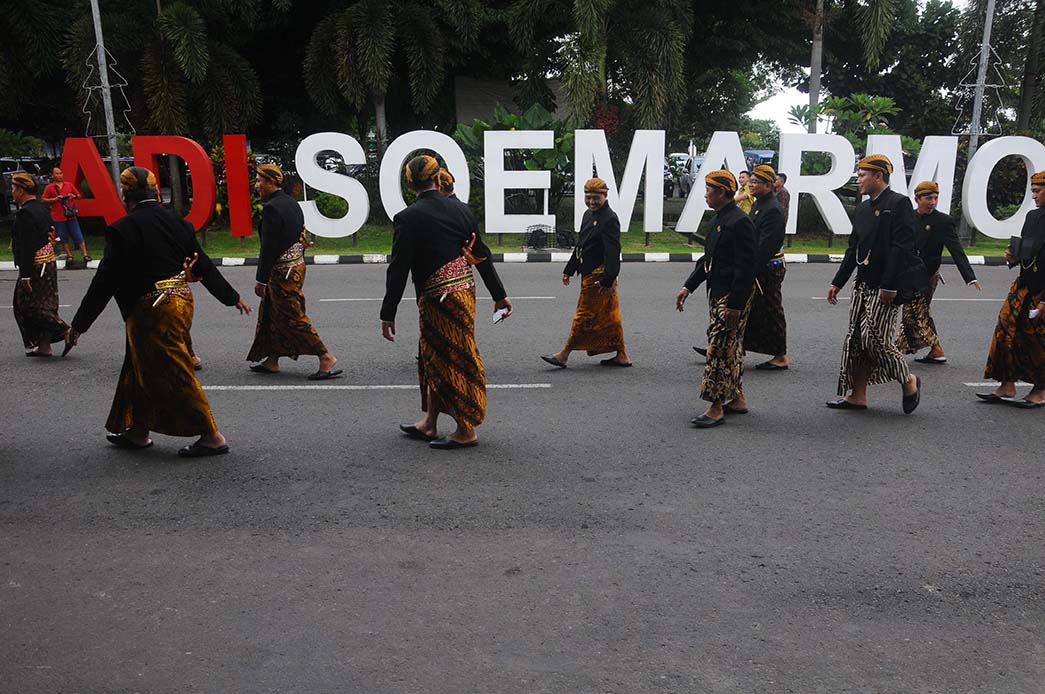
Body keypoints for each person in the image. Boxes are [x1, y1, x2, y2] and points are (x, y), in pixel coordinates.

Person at [67, 166, 252, 457]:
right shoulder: (179, 223)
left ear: (125, 195)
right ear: (155, 193)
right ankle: (138, 432)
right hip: (180, 301)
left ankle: (212, 436)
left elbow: (104, 282)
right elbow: (202, 264)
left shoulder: (122, 230)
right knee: (138, 366)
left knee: (174, 372)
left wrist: (79, 325)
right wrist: (232, 297)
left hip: (150, 311)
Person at [381, 155, 513, 449]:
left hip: (438, 299)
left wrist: (388, 312)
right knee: (433, 357)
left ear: (409, 181)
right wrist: (499, 294)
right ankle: (430, 423)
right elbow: (481, 255)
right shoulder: (461, 210)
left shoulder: (408, 217)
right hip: (464, 293)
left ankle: (466, 430)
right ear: (436, 177)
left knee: (452, 358)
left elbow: (399, 268)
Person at [826, 154, 923, 414]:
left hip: (886, 287)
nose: (858, 180)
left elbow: (902, 247)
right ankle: (858, 396)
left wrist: (889, 285)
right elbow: (853, 248)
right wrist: (838, 281)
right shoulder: (864, 207)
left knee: (875, 341)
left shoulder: (898, 203)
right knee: (856, 340)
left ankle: (908, 379)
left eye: (862, 175)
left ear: (878, 176)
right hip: (863, 284)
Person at [675, 170, 758, 428]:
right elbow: (708, 260)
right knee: (731, 347)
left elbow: (747, 267)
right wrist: (688, 287)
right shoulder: (717, 220)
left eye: (709, 190)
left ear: (722, 192)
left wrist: (735, 304)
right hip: (718, 292)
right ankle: (737, 398)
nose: (705, 194)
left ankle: (715, 406)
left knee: (719, 349)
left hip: (732, 295)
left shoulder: (740, 222)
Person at [246, 163, 340, 379]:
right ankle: (272, 359)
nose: (256, 185)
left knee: (292, 315)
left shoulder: (271, 208)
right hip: (296, 267)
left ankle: (326, 357)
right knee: (271, 312)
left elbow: (268, 248)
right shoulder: (291, 203)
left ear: (271, 182)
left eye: (259, 181)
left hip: (282, 273)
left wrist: (260, 280)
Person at [541, 177, 632, 368]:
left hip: (599, 278)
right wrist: (570, 268)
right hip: (589, 273)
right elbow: (581, 246)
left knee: (584, 315)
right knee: (610, 316)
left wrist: (608, 280)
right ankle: (622, 355)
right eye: (588, 197)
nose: (591, 201)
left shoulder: (610, 219)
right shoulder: (587, 215)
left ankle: (563, 354)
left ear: (605, 196)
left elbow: (613, 252)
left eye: (596, 197)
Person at [977, 170, 1045, 408]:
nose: (1033, 196)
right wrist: (1014, 257)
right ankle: (1006, 385)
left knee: (1036, 341)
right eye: (1033, 191)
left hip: (1042, 292)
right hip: (1023, 285)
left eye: (1037, 191)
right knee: (1005, 331)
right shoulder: (1033, 217)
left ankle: (1040, 390)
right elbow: (1029, 251)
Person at [896, 180, 981, 363]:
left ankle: (897, 350)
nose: (932, 202)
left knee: (914, 312)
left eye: (935, 198)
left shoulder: (942, 221)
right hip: (908, 274)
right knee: (918, 311)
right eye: (928, 198)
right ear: (917, 199)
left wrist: (970, 277)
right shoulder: (908, 218)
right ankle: (934, 350)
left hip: (927, 275)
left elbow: (956, 250)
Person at [9, 172, 71, 357]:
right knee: (47, 304)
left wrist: (26, 274)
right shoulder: (41, 208)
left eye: (13, 189)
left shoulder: (26, 213)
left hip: (36, 266)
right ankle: (44, 345)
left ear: (21, 190)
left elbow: (27, 245)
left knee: (28, 306)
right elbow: (52, 234)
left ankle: (66, 330)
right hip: (48, 263)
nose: (12, 192)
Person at [743, 164, 790, 370]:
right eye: (750, 181)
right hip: (758, 265)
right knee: (749, 309)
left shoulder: (772, 209)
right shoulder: (759, 203)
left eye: (755, 182)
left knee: (771, 310)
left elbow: (766, 246)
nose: (750, 185)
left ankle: (780, 356)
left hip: (769, 267)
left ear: (768, 185)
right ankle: (733, 346)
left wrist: (749, 269)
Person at [41, 167, 90, 263]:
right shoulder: (49, 187)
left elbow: (79, 196)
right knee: (63, 236)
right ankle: (69, 255)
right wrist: (54, 199)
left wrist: (73, 196)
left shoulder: (69, 185)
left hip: (70, 214)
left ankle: (85, 254)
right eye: (57, 173)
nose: (60, 175)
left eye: (61, 173)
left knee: (78, 234)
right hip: (58, 216)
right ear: (52, 175)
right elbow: (43, 199)